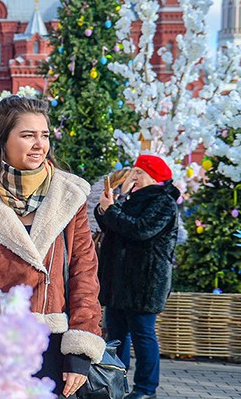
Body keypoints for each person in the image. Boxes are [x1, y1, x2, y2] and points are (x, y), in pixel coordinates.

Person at [0, 96, 104, 399]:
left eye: (44, 135)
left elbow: (84, 272)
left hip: (49, 341)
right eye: (27, 135)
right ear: (3, 139)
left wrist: (81, 346)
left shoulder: (68, 196)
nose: (39, 144)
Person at [95, 154, 180, 399]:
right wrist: (106, 207)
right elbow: (112, 224)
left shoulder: (163, 203)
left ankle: (146, 389)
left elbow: (139, 230)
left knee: (143, 335)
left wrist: (112, 210)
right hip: (120, 282)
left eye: (138, 172)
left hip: (144, 283)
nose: (134, 177)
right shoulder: (132, 199)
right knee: (117, 335)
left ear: (151, 176)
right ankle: (116, 382)